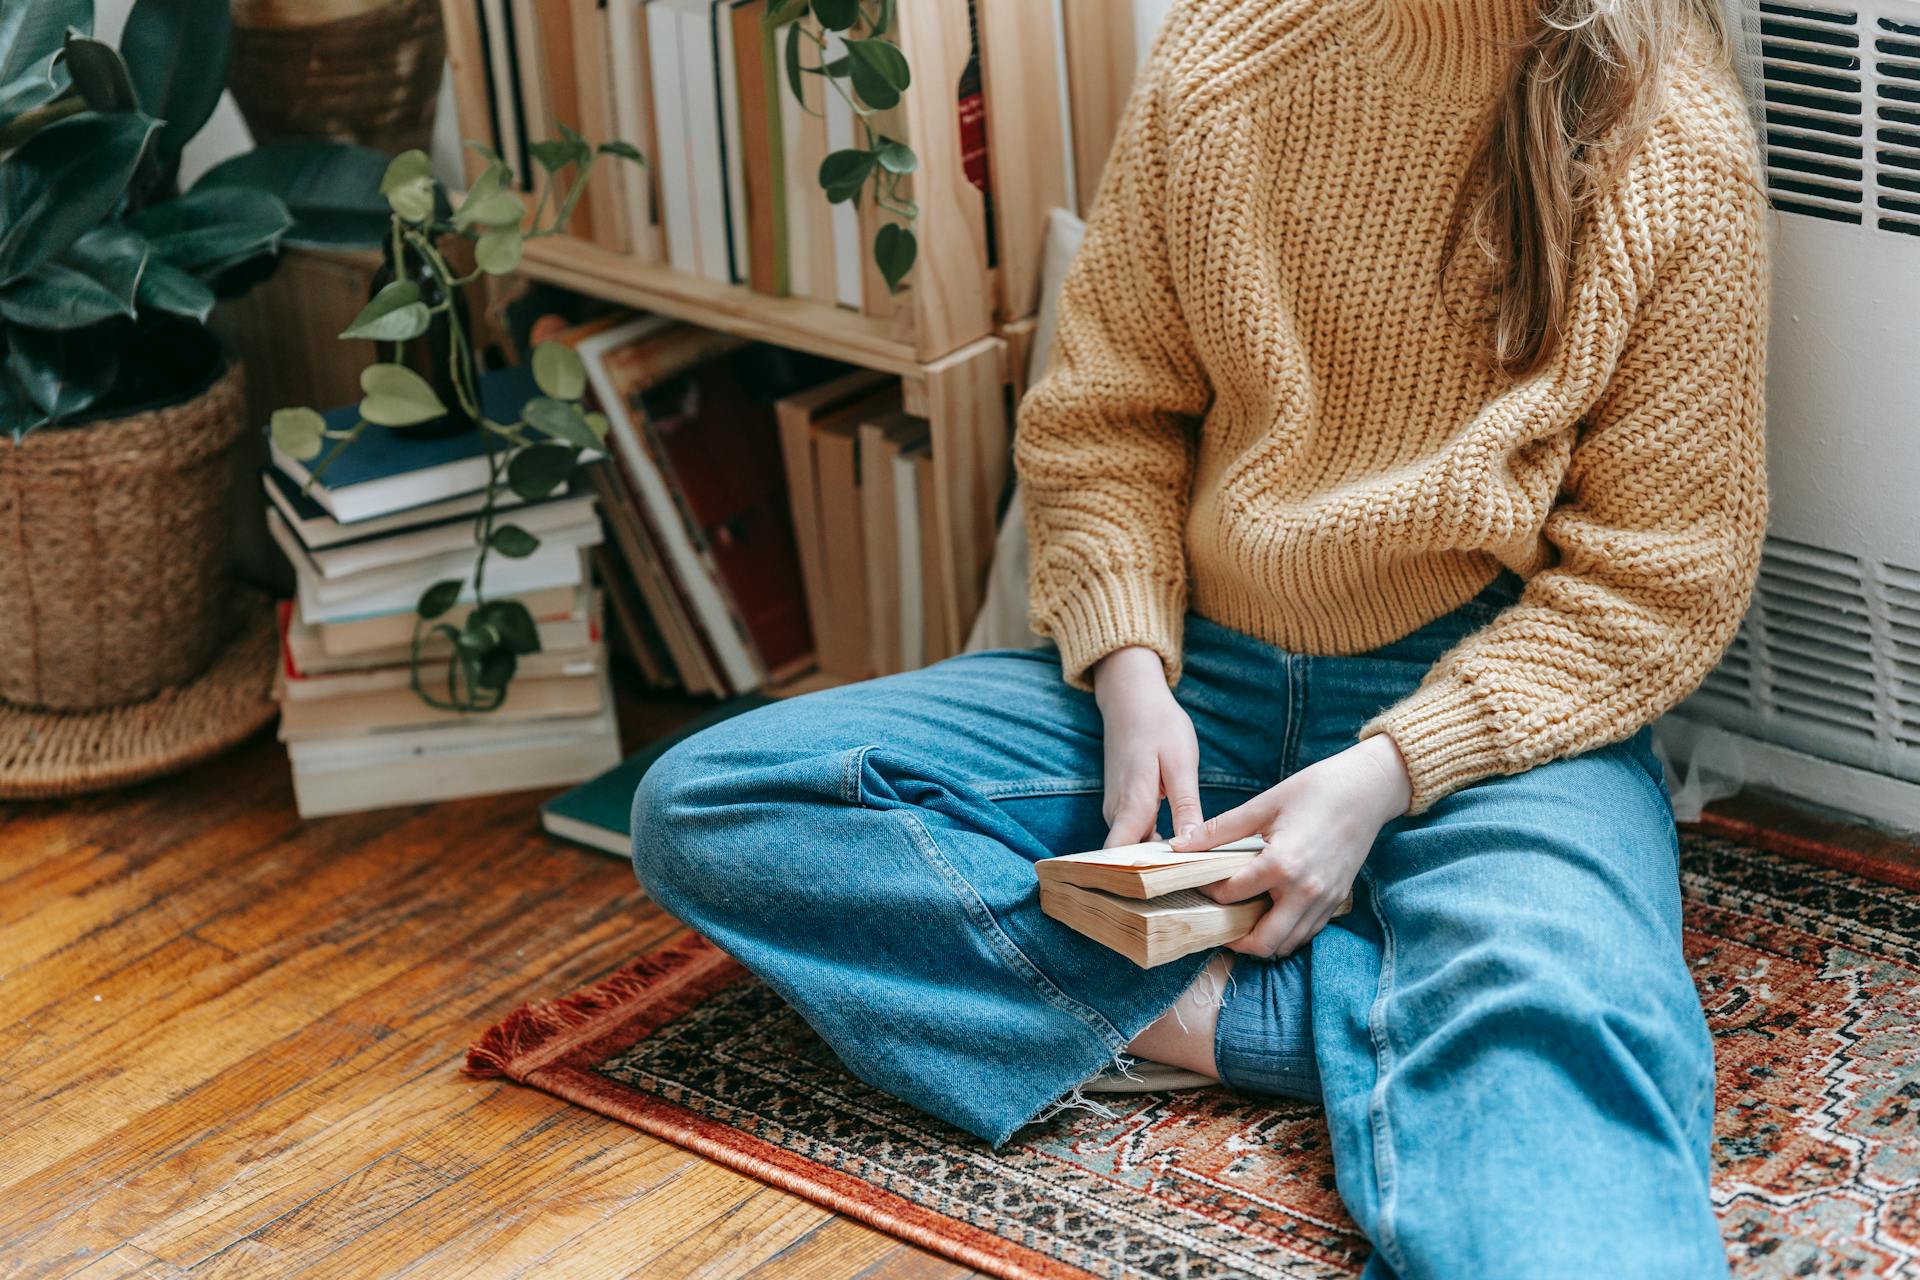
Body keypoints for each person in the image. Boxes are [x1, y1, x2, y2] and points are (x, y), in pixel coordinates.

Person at [631, 0, 1771, 1271]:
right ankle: (1315, 1017)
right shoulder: (1229, 50)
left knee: (1567, 1040)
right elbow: (1108, 419)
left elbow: (1662, 580)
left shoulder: (1671, 134)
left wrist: (1386, 772)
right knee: (720, 802)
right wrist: (1129, 673)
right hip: (1197, 671)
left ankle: (1354, 1011)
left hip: (1489, 713)